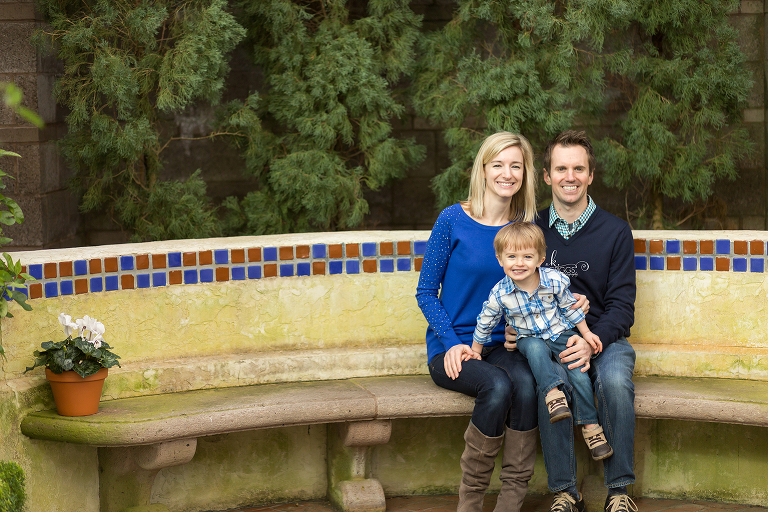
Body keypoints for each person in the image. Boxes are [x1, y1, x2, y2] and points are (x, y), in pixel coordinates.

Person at [505, 130, 636, 512]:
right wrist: (514, 325)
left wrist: (591, 339)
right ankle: (566, 491)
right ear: (546, 176)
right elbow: (510, 285)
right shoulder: (530, 228)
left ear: (591, 175)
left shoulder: (615, 231)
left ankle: (619, 491)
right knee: (550, 384)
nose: (570, 176)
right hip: (546, 338)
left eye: (579, 168)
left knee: (613, 381)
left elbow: (622, 306)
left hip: (603, 338)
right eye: (561, 168)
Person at [415, 132, 541, 512]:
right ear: (483, 170)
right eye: (498, 164)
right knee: (498, 387)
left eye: (516, 165)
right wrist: (452, 343)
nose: (507, 173)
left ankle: (509, 502)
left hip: (499, 345)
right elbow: (425, 291)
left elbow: (533, 289)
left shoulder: (524, 227)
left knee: (525, 383)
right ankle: (469, 503)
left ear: (525, 173)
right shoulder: (452, 219)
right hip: (451, 347)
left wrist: (524, 323)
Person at [471, 222, 613, 462]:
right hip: (527, 338)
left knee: (578, 371)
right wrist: (476, 351)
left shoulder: (555, 280)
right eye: (512, 256)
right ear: (500, 259)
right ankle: (553, 394)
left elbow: (571, 309)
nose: (519, 263)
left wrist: (586, 334)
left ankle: (591, 427)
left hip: (559, 332)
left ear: (540, 258)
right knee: (535, 349)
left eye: (527, 256)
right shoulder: (500, 293)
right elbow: (485, 322)